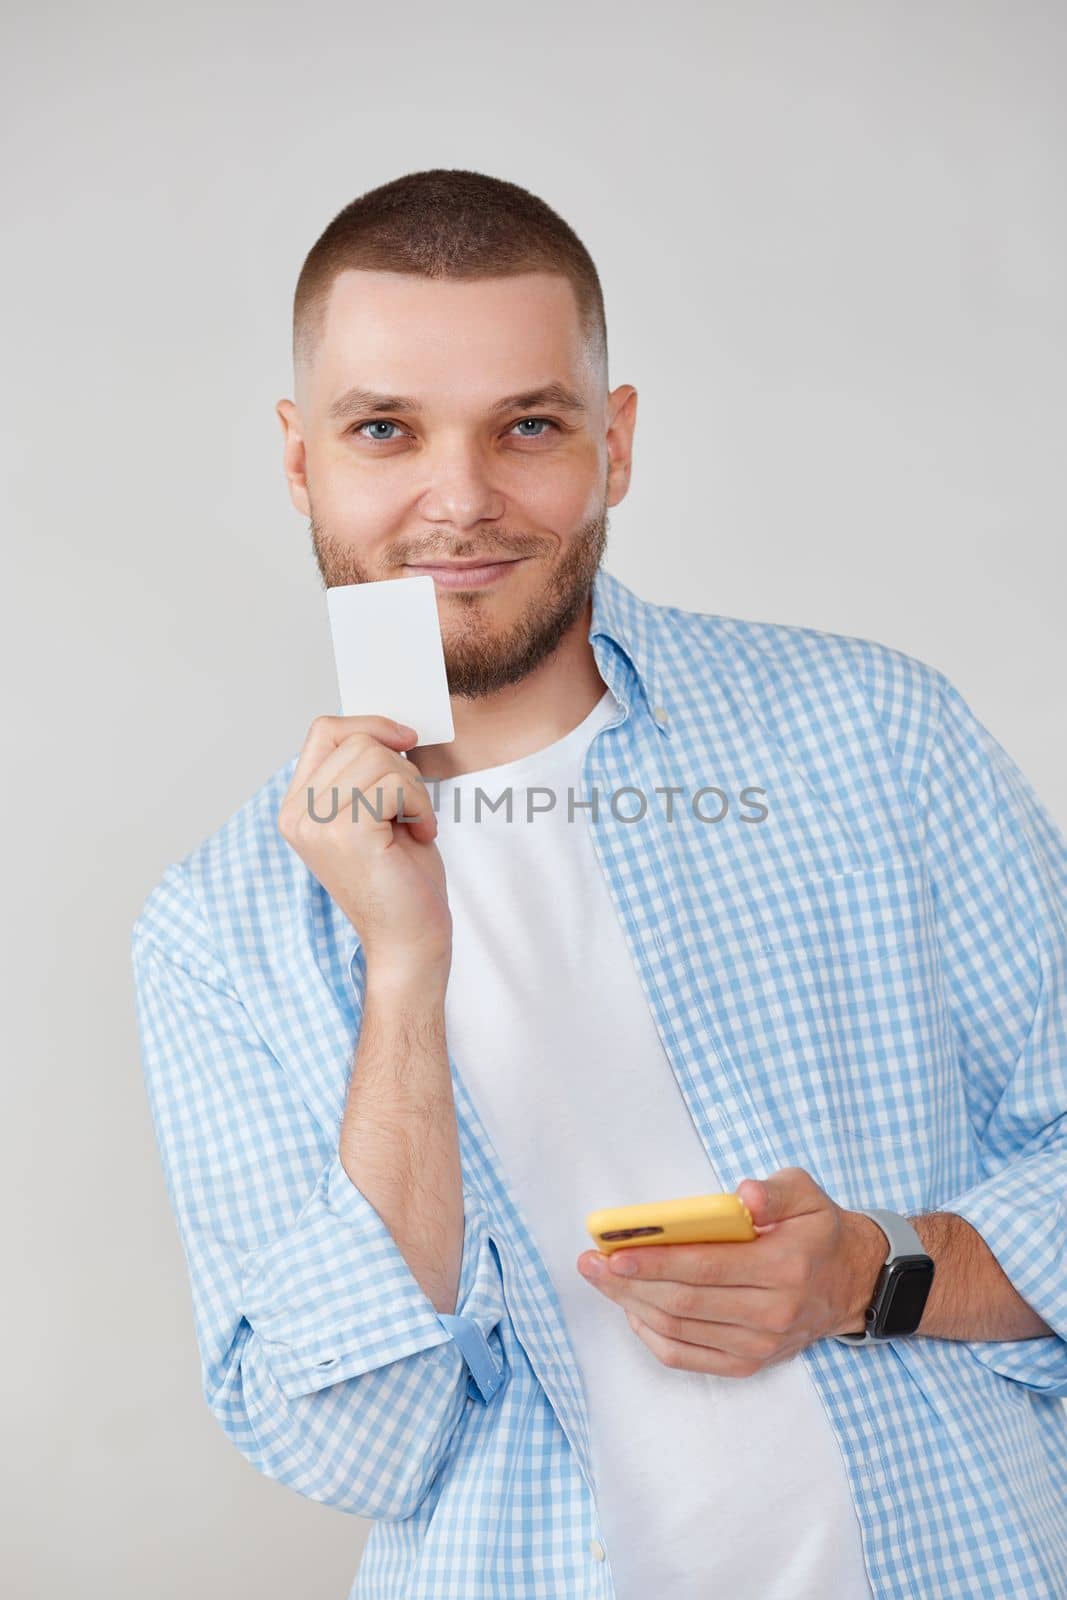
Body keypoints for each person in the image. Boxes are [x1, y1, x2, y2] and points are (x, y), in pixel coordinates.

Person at [130, 168, 1067, 1600]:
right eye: (386, 428)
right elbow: (361, 1444)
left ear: (613, 445)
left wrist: (881, 1271)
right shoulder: (218, 932)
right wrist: (402, 969)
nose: (460, 499)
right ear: (301, 456)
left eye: (529, 425)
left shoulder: (875, 737)